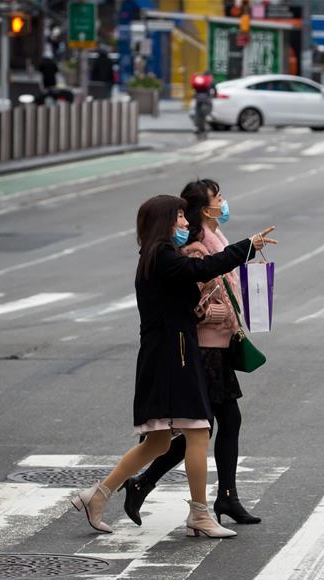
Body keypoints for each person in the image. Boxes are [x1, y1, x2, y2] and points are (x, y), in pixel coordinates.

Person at [71, 195, 277, 538]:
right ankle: (199, 513)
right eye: (180, 217)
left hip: (167, 355)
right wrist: (248, 246)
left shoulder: (157, 256)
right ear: (164, 221)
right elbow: (201, 268)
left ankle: (98, 494)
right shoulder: (163, 257)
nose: (185, 223)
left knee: (158, 443)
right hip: (172, 357)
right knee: (198, 431)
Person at [121, 179, 261, 527]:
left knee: (204, 428)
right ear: (204, 209)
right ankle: (204, 499)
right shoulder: (196, 249)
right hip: (203, 346)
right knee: (201, 428)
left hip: (217, 343)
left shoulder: (213, 240)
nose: (224, 203)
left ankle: (151, 486)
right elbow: (196, 293)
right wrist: (218, 313)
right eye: (219, 198)